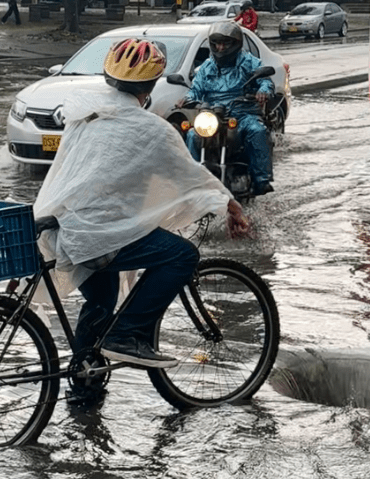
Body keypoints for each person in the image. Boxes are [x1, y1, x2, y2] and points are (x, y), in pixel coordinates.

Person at [34, 38, 250, 373]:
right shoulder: (152, 129)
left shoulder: (86, 116)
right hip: (99, 235)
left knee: (102, 301)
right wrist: (231, 205)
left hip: (68, 228)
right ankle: (128, 334)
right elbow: (190, 175)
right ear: (150, 86)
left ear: (110, 78)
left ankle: (84, 382)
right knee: (183, 255)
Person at [178, 21, 274, 196]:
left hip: (243, 113)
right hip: (212, 114)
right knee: (192, 134)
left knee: (257, 130)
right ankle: (191, 181)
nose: (220, 48)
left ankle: (262, 179)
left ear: (235, 44)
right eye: (217, 44)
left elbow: (265, 81)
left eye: (225, 43)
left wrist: (263, 91)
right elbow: (196, 89)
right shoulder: (207, 66)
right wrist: (187, 99)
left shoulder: (249, 62)